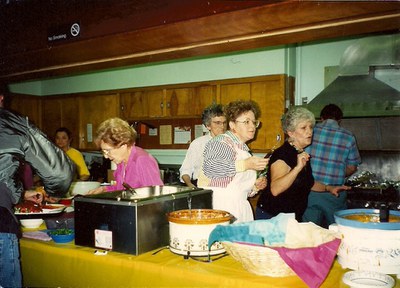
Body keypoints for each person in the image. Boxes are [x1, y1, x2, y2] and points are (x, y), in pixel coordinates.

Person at [0, 84, 74, 287]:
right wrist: (52, 193)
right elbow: (59, 174)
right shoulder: (10, 123)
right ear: (1, 99)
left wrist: (21, 193)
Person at [197, 100, 268, 223]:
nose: (252, 126)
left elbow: (236, 186)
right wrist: (246, 164)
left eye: (254, 122)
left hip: (240, 208)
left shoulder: (243, 150)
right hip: (222, 209)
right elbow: (212, 169)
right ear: (232, 124)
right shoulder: (222, 142)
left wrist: (254, 187)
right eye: (246, 122)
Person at [303, 104, 361, 228]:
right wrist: (337, 173)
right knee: (337, 232)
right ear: (339, 120)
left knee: (309, 232)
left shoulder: (309, 132)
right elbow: (352, 167)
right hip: (335, 194)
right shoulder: (348, 137)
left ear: (321, 118)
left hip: (310, 191)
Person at [87, 117, 163, 195]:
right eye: (103, 151)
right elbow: (121, 189)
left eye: (108, 151)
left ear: (123, 145)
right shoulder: (122, 161)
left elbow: (155, 195)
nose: (106, 156)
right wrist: (104, 189)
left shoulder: (142, 160)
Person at [179, 104, 226, 188]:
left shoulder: (232, 143)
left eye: (224, 122)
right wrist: (190, 185)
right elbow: (186, 170)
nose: (222, 126)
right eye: (218, 123)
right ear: (208, 126)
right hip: (203, 188)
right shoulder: (198, 144)